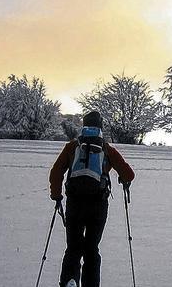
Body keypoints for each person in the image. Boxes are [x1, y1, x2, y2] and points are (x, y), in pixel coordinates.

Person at [49, 111, 135, 287]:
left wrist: (57, 195)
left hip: (75, 203)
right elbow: (129, 174)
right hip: (98, 204)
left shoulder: (72, 146)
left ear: (84, 126)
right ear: (100, 127)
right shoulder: (106, 148)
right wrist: (122, 179)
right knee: (91, 249)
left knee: (73, 247)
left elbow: (56, 172)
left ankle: (70, 280)